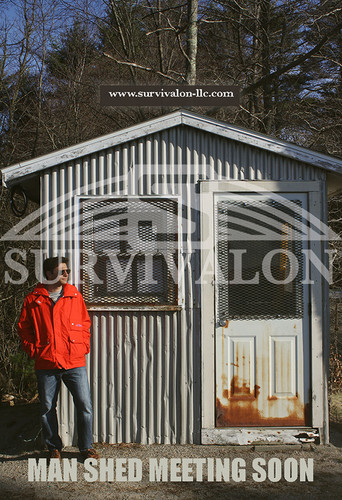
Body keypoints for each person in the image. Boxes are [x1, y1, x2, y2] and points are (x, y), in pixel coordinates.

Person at [18, 256, 99, 461]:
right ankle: (54, 447)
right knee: (47, 408)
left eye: (67, 271)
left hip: (74, 362)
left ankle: (86, 447)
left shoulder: (74, 295)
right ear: (48, 273)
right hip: (46, 361)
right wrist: (34, 350)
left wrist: (82, 346)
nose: (66, 274)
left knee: (84, 406)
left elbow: (84, 323)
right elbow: (24, 329)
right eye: (62, 271)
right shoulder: (33, 299)